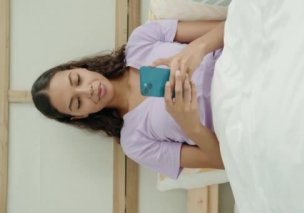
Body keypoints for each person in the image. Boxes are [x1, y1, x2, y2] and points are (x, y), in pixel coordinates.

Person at [32, 19, 225, 179]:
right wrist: (192, 127)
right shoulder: (134, 142)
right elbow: (224, 162)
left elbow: (232, 25)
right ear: (81, 116)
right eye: (77, 102)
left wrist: (198, 48)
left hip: (241, 64)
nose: (87, 90)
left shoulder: (141, 40)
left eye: (77, 79)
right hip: (239, 121)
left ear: (79, 68)